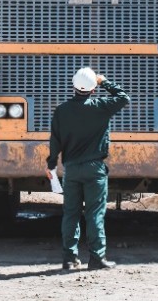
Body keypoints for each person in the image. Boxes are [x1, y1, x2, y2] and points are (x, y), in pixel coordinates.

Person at [46, 67, 130, 271]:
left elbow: (55, 142)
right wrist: (104, 81)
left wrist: (50, 165)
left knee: (71, 214)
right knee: (94, 214)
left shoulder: (62, 110)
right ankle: (96, 259)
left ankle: (69, 258)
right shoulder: (100, 106)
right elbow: (123, 98)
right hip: (95, 169)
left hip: (71, 169)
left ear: (73, 86)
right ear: (93, 90)